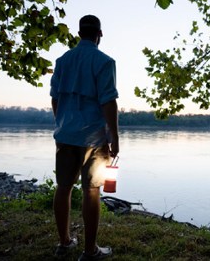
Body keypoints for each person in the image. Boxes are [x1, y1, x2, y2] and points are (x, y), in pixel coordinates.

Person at [50, 15, 119, 260]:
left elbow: (55, 98)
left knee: (64, 187)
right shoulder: (104, 61)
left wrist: (62, 124)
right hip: (94, 137)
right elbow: (108, 102)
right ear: (99, 34)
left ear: (79, 34)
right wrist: (114, 138)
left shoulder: (63, 61)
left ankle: (64, 243)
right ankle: (89, 251)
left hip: (66, 135)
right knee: (91, 191)